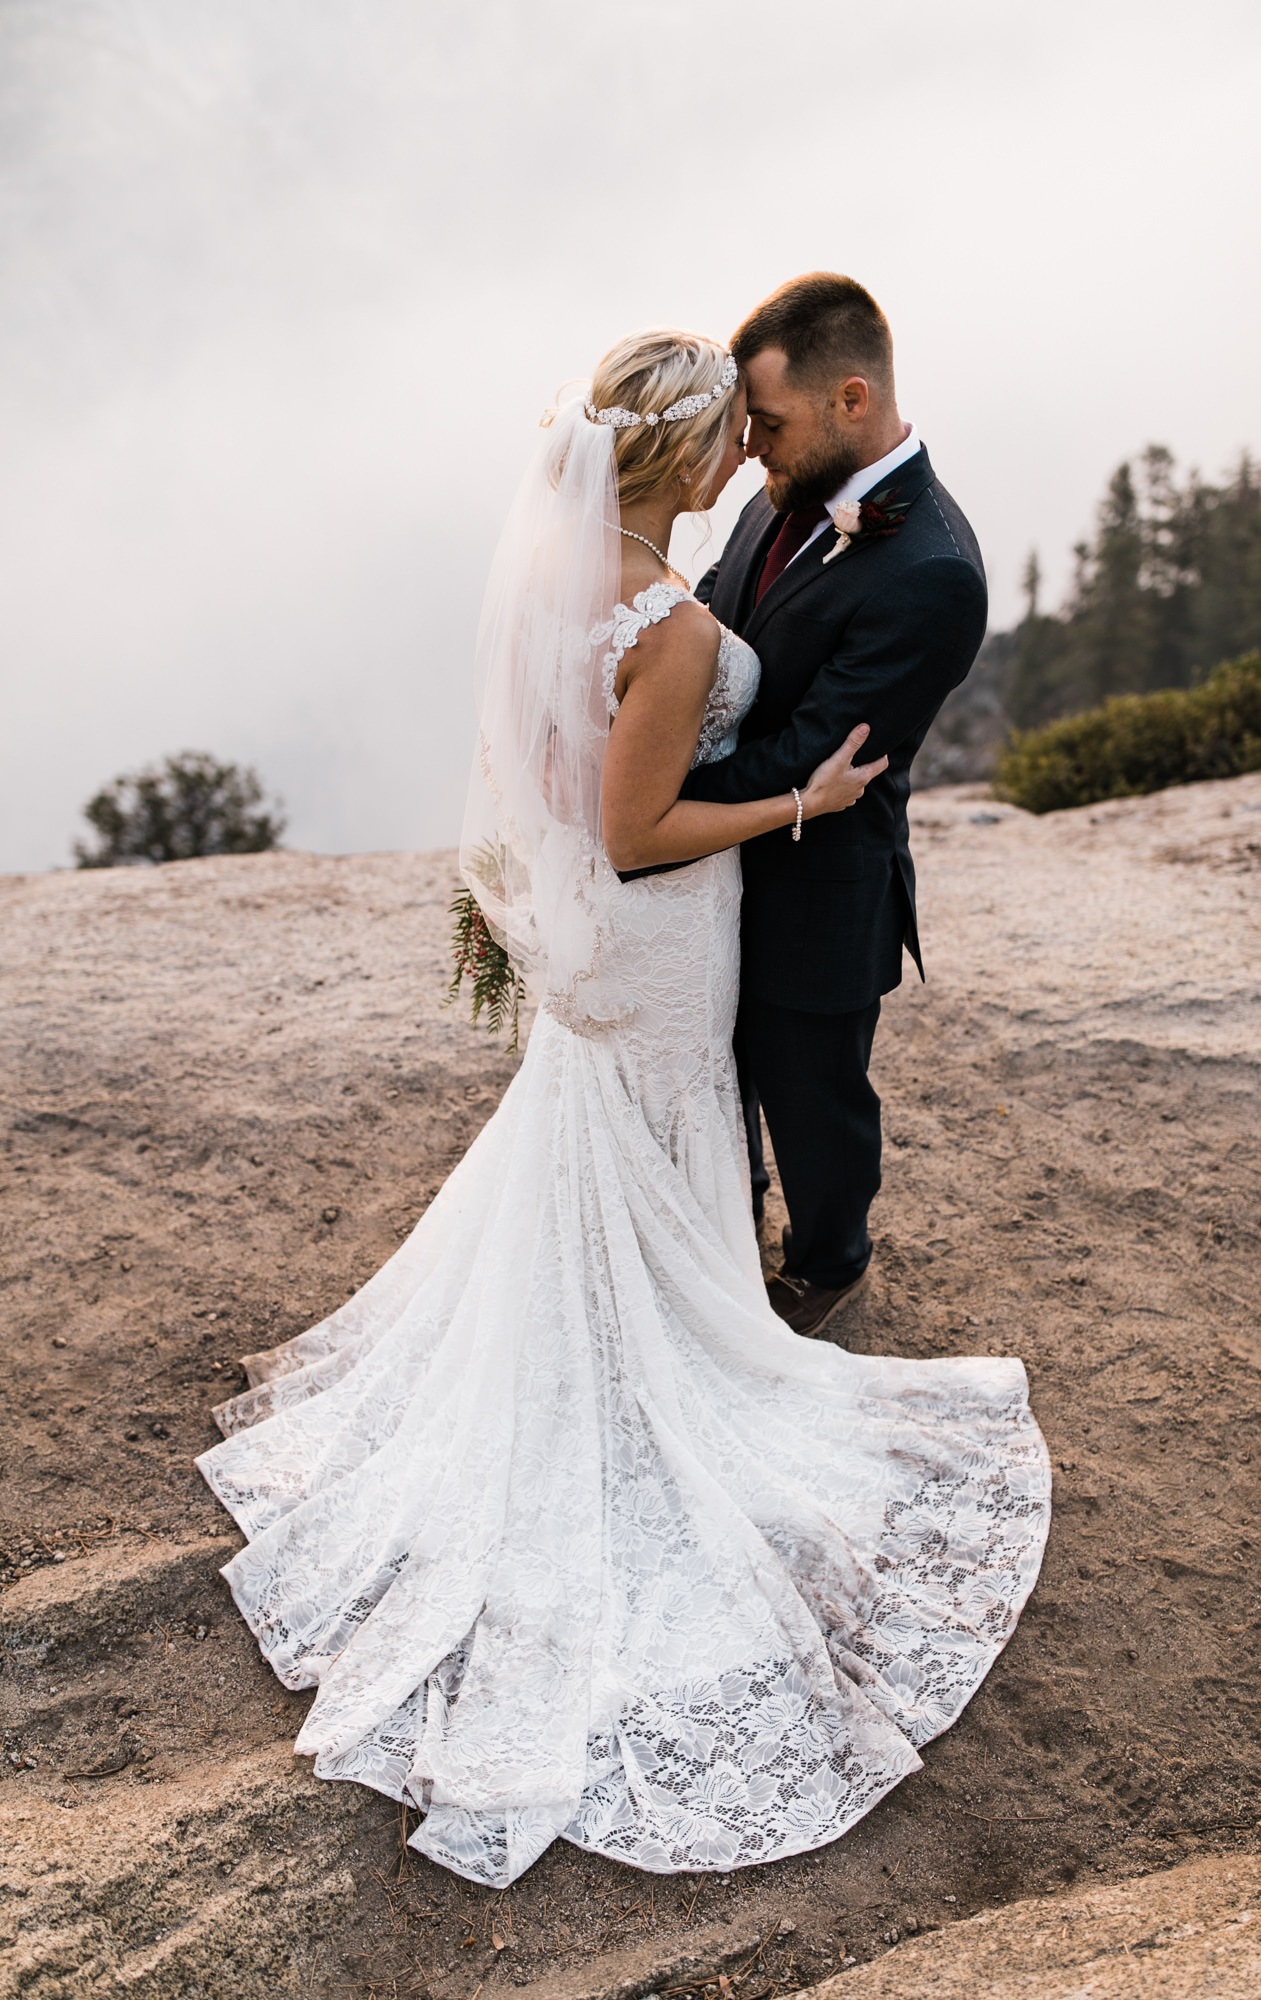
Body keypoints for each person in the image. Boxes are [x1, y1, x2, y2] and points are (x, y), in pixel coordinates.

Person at [196, 326, 1048, 1891]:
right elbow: (643, 831)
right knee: (663, 1133)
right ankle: (668, 1345)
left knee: (615, 1142)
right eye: (735, 429)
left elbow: (553, 761)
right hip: (661, 932)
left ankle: (630, 1309)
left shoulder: (578, 568)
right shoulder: (656, 611)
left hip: (618, 947)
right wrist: (804, 799)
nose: (752, 452)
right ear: (674, 451)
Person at [682, 274, 989, 1338]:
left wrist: (642, 803)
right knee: (712, 1080)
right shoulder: (787, 485)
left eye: (765, 425)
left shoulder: (934, 571)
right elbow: (717, 621)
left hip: (818, 880)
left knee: (810, 1092)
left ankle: (827, 1264)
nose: (750, 450)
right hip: (707, 867)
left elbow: (821, 750)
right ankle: (721, 1239)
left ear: (850, 400)